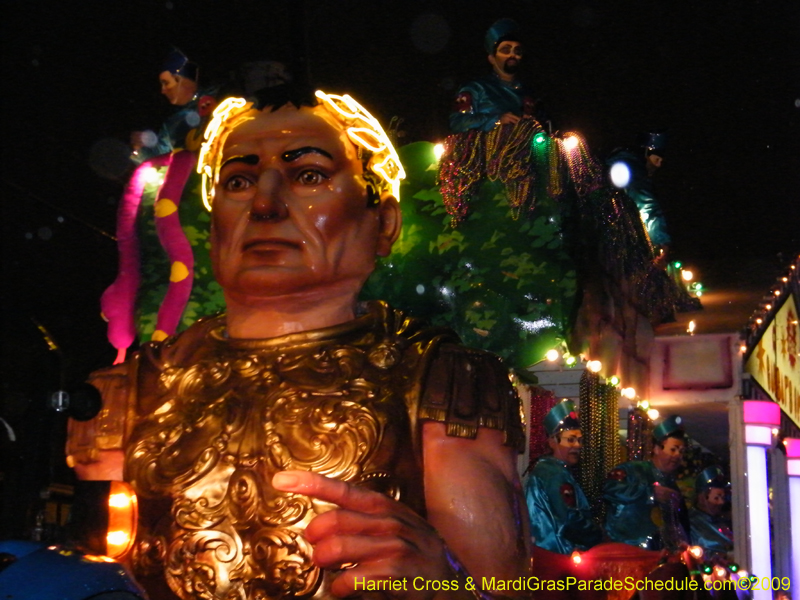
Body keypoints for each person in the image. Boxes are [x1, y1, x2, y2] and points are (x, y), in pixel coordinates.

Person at [68, 85, 530, 599]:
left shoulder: (441, 381)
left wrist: (444, 583)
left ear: (384, 222)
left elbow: (500, 587)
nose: (265, 204)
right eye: (239, 180)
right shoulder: (131, 391)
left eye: (308, 176)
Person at [525, 400, 603, 554]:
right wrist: (599, 536)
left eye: (580, 440)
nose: (577, 446)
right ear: (553, 442)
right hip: (557, 554)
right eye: (571, 439)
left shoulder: (550, 470)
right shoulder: (554, 474)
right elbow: (570, 520)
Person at [603, 414, 690, 550]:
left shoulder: (672, 485)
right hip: (627, 550)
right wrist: (650, 493)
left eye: (681, 451)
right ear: (656, 449)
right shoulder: (633, 470)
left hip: (661, 555)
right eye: (673, 449)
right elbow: (609, 488)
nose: (677, 455)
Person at [449, 19, 542, 133]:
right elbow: (458, 122)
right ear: (492, 58)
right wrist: (496, 121)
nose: (512, 55)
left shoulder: (529, 92)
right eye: (506, 50)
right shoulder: (475, 88)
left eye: (517, 51)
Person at [130, 48, 217, 162]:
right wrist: (140, 149)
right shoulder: (173, 124)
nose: (163, 90)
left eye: (166, 83)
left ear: (183, 80)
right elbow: (159, 160)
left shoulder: (223, 97)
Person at [606, 132, 672, 252]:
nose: (658, 165)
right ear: (646, 152)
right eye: (657, 158)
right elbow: (647, 206)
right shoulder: (634, 169)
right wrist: (661, 242)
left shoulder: (613, 161)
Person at [690, 466, 733, 558]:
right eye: (716, 498)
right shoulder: (692, 523)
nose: (721, 502)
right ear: (701, 498)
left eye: (723, 498)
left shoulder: (721, 521)